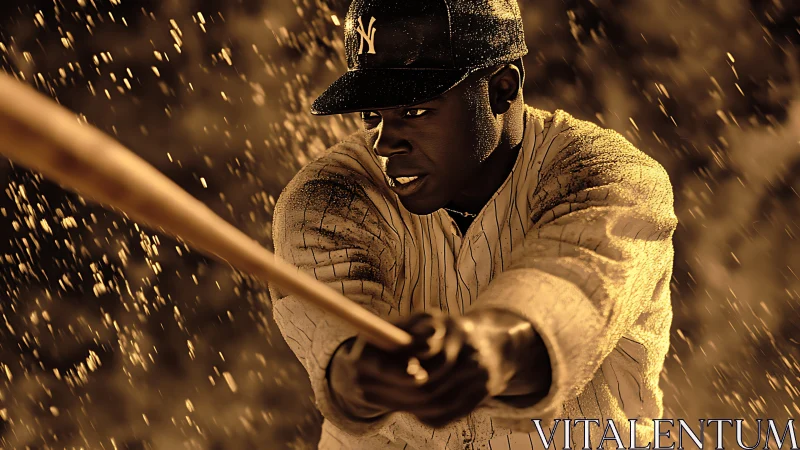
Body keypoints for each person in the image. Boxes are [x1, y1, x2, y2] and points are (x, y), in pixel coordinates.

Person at [267, 0, 678, 448]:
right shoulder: (326, 194)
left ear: (502, 88)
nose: (385, 143)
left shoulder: (611, 175)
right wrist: (364, 373)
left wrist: (488, 348)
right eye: (372, 114)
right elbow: (339, 357)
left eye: (415, 110)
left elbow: (573, 289)